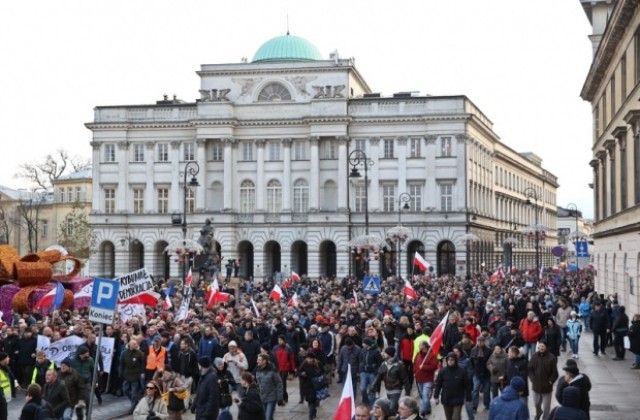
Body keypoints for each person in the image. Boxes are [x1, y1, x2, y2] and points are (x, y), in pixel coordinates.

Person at [371, 347, 410, 413]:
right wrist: (373, 385)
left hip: (396, 389)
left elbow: (405, 379)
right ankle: (399, 415)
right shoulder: (384, 364)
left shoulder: (399, 365)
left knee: (391, 408)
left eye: (385, 353)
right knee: (395, 407)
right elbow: (379, 376)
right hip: (388, 389)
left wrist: (407, 393)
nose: (383, 354)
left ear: (389, 354)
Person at [434, 352, 472, 420]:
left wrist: (468, 397)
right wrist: (436, 396)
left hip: (458, 399)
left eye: (452, 360)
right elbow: (438, 384)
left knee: (456, 418)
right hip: (446, 399)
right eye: (449, 360)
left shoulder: (462, 371)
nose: (450, 361)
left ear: (455, 360)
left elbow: (467, 385)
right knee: (449, 418)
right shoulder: (443, 371)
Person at [527, 340, 558, 420]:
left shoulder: (551, 358)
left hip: (547, 387)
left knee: (546, 407)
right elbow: (530, 369)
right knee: (536, 404)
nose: (541, 348)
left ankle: (545, 418)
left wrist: (550, 382)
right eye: (540, 346)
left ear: (546, 347)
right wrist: (532, 379)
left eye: (543, 346)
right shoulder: (534, 356)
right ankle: (538, 413)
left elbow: (555, 373)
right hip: (536, 385)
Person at [120, 339, 146, 413]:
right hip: (127, 374)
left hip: (135, 375)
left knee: (134, 392)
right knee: (125, 390)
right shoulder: (124, 353)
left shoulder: (139, 353)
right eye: (134, 344)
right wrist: (121, 372)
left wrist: (142, 372)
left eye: (136, 344)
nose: (136, 345)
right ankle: (135, 401)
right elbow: (122, 364)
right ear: (130, 345)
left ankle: (133, 407)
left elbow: (143, 364)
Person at [254, 353, 283, 420]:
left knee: (268, 417)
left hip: (271, 397)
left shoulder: (273, 370)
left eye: (259, 360)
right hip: (262, 397)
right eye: (257, 359)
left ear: (264, 361)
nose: (257, 361)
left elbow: (279, 384)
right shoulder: (258, 369)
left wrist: (280, 397)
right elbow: (257, 383)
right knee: (265, 417)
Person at [413, 340, 438, 417]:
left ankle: (422, 412)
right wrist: (414, 371)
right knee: (422, 395)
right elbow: (415, 364)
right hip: (419, 379)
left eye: (421, 346)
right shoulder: (418, 354)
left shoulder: (431, 355)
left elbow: (434, 366)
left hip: (427, 379)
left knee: (425, 395)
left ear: (425, 347)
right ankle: (428, 409)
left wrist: (423, 367)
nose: (419, 347)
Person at [298, 352, 324, 420]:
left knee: (312, 400)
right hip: (306, 385)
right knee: (308, 400)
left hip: (315, 385)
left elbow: (323, 372)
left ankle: (310, 416)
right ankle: (314, 410)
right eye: (308, 358)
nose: (309, 360)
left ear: (313, 359)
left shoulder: (318, 364)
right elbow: (298, 372)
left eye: (310, 358)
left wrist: (318, 374)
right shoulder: (304, 364)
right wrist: (302, 374)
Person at [359, 337, 383, 408]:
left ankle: (371, 406)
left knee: (372, 390)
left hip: (372, 373)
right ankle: (366, 401)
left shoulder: (376, 352)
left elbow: (380, 363)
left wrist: (376, 372)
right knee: (362, 389)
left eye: (364, 343)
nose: (362, 344)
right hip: (364, 372)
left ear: (367, 344)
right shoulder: (362, 350)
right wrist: (360, 369)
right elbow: (360, 360)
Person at [470, 335, 492, 412]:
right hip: (477, 373)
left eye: (481, 341)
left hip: (486, 374)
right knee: (475, 389)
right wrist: (473, 371)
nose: (480, 343)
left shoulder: (489, 351)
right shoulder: (473, 350)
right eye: (478, 341)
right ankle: (474, 406)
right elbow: (471, 362)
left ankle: (487, 404)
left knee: (486, 390)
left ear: (484, 342)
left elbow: (491, 362)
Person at [0, 351, 18, 420]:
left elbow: (11, 377)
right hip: (1, 398)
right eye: (7, 357)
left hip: (4, 398)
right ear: (3, 359)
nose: (9, 358)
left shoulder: (6, 368)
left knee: (4, 414)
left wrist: (16, 385)